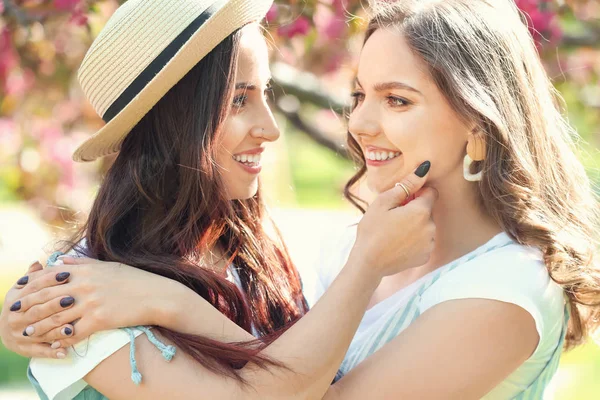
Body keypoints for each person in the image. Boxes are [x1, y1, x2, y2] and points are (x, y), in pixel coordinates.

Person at [4, 0, 599, 398]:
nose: (360, 123)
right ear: (176, 123)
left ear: (479, 119)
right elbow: (292, 369)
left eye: (396, 100)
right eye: (360, 93)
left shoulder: (506, 288)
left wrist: (166, 303)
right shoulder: (336, 253)